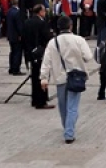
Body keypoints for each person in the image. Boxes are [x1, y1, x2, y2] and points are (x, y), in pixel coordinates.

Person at [39, 16, 93, 144]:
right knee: (72, 106)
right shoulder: (79, 40)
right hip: (76, 77)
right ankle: (69, 132)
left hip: (60, 78)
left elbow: (46, 61)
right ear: (71, 26)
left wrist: (43, 78)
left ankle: (67, 128)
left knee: (63, 106)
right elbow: (88, 57)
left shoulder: (53, 42)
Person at [22, 4, 54, 109]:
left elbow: (24, 38)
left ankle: (35, 99)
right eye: (44, 11)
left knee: (34, 77)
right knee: (43, 76)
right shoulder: (42, 23)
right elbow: (47, 38)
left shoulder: (27, 22)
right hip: (40, 53)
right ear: (40, 12)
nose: (45, 13)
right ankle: (42, 101)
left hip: (30, 53)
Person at [6, 0, 25, 76]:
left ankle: (11, 67)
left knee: (12, 52)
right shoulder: (17, 12)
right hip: (17, 36)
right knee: (17, 52)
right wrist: (21, 34)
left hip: (11, 35)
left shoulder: (10, 11)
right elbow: (19, 25)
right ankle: (16, 69)